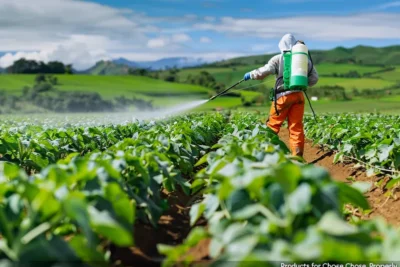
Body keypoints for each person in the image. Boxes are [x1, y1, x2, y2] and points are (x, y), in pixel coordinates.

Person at [244, 33, 319, 157]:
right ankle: (297, 155)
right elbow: (314, 79)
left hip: (283, 97)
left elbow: (263, 72)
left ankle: (265, 154)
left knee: (273, 125)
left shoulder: (278, 58)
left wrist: (251, 75)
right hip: (299, 96)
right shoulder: (304, 59)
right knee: (296, 127)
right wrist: (300, 83)